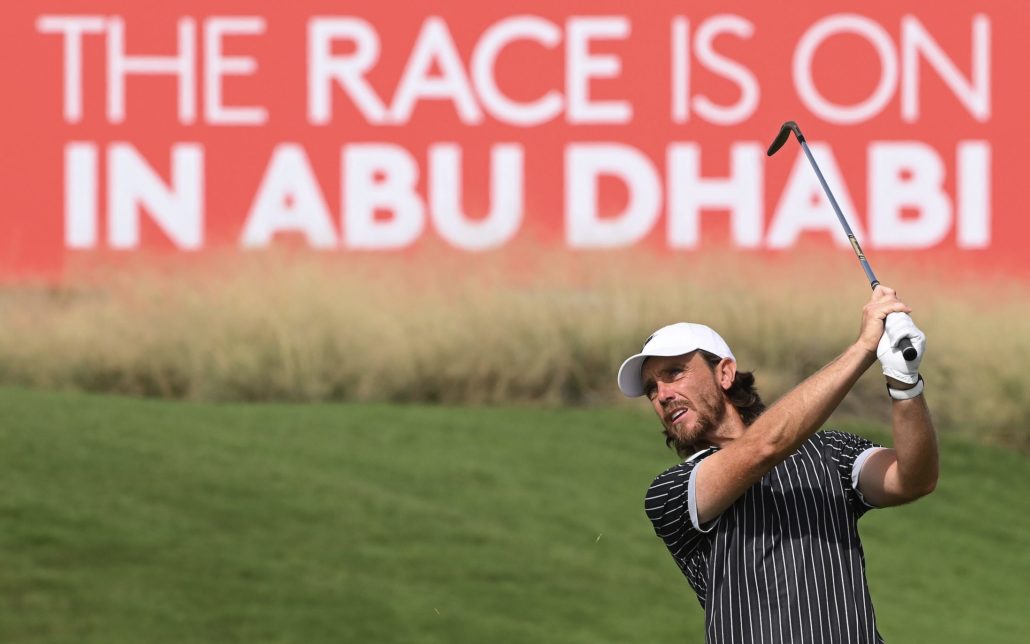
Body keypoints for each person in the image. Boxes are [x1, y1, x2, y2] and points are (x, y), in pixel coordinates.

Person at [618, 286, 938, 644]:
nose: (661, 395)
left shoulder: (829, 450)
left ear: (724, 373)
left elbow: (912, 480)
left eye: (674, 373)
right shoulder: (670, 493)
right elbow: (764, 447)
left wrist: (905, 385)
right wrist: (864, 349)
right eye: (650, 389)